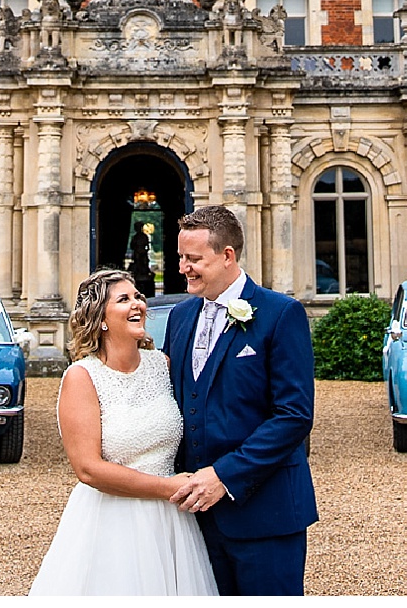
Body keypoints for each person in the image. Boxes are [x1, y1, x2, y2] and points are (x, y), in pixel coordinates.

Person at [28, 270, 219, 596]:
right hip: (113, 520)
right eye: (124, 299)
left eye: (138, 297)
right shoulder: (82, 377)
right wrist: (166, 488)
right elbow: (88, 469)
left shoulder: (162, 366)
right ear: (100, 319)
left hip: (172, 521)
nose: (138, 305)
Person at [165, 205, 317, 596]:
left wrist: (224, 476)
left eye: (194, 259)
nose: (183, 267)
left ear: (227, 255)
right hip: (194, 519)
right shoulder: (180, 317)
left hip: (266, 513)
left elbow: (293, 416)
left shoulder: (282, 313)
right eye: (181, 257)